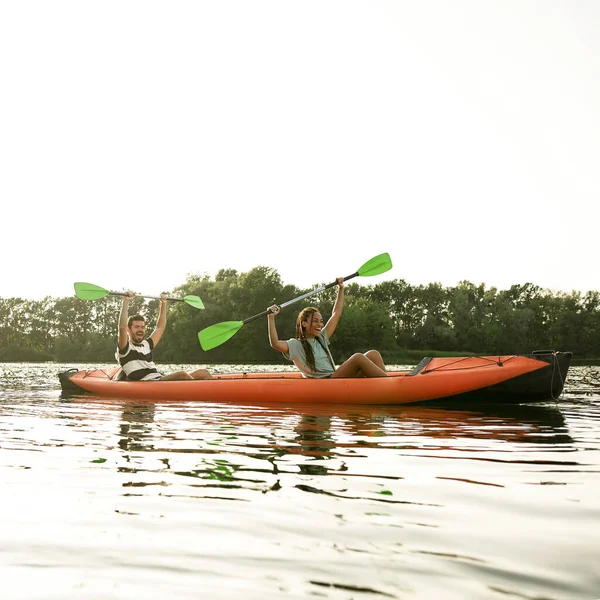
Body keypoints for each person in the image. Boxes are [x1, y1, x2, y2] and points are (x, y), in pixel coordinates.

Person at [267, 278, 388, 379]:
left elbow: (336, 313)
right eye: (315, 321)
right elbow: (275, 343)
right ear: (304, 323)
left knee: (373, 354)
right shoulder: (296, 345)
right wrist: (271, 318)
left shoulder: (321, 338)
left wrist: (340, 289)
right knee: (358, 357)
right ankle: (390, 385)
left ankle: (388, 386)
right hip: (327, 382)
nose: (319, 325)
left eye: (321, 321)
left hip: (335, 377)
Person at [117, 292, 212, 381]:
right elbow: (121, 327)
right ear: (128, 330)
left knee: (203, 372)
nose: (140, 330)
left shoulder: (146, 344)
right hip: (149, 383)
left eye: (142, 327)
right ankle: (199, 394)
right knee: (181, 374)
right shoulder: (125, 348)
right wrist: (126, 301)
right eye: (136, 327)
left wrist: (163, 303)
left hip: (158, 379)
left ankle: (215, 395)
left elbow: (160, 328)